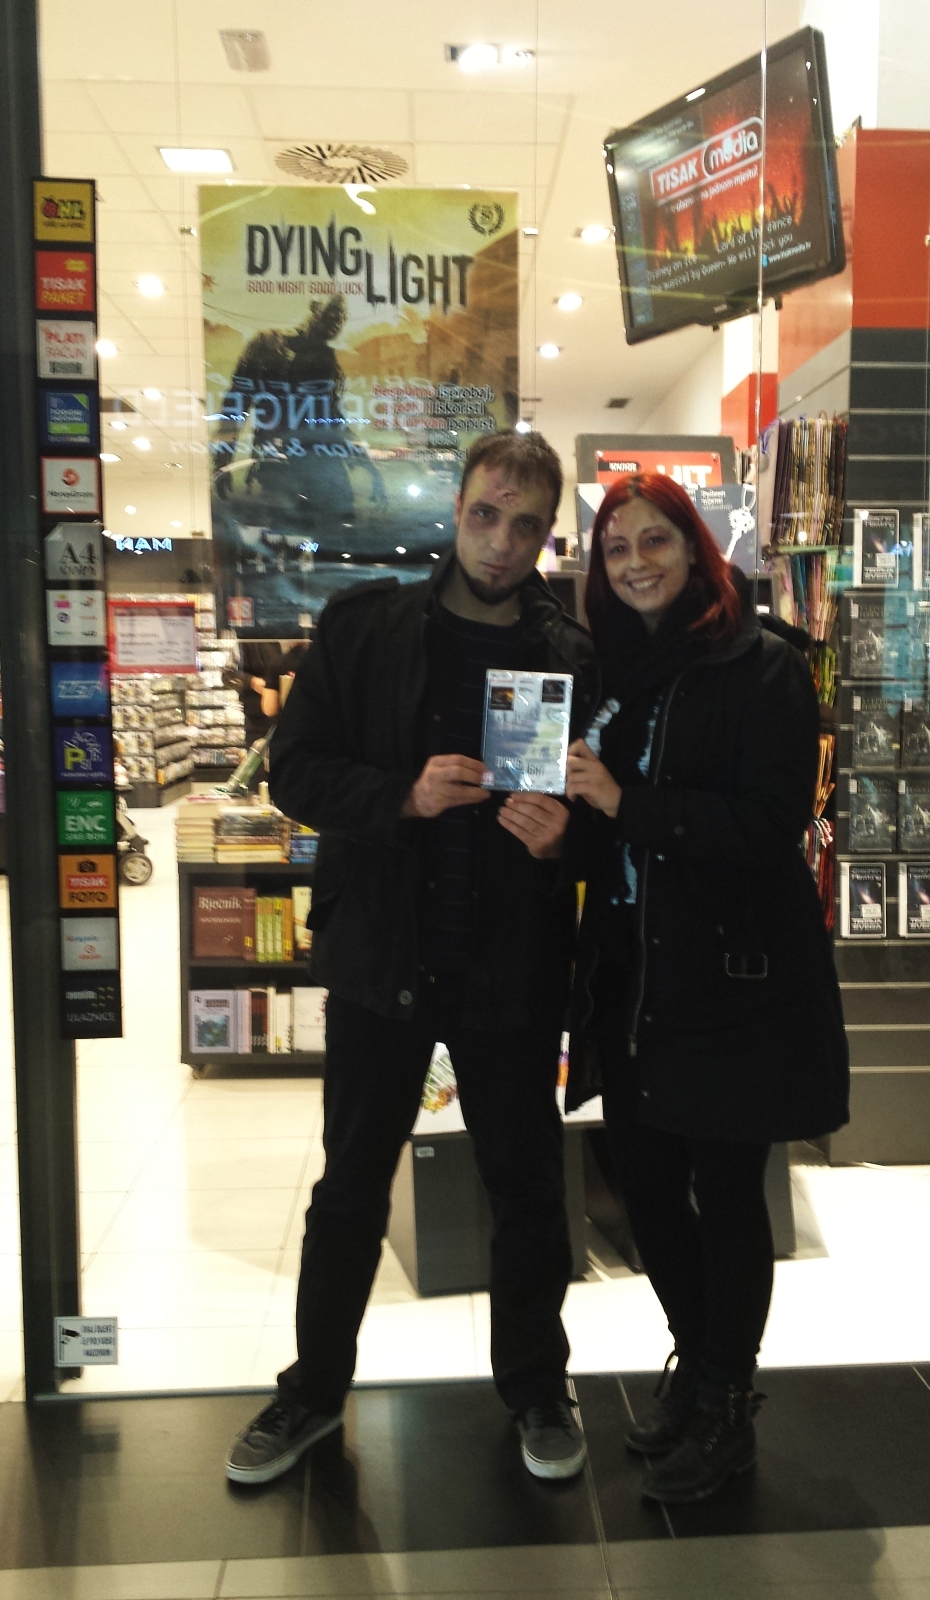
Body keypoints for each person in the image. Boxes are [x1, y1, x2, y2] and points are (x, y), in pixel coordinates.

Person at [226, 430, 599, 1486]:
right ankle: (311, 1393)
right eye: (485, 514)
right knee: (349, 1188)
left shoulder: (573, 654)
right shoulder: (367, 628)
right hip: (381, 958)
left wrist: (565, 840)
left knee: (526, 1190)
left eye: (525, 524)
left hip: (510, 966)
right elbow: (295, 770)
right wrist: (402, 794)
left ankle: (537, 1388)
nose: (501, 541)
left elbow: (605, 809)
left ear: (545, 533)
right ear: (457, 509)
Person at [564, 472, 848, 1506]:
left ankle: (725, 1402)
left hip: (729, 981)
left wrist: (625, 802)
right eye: (616, 547)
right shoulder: (610, 673)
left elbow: (769, 827)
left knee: (726, 1198)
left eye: (655, 540)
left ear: (695, 549)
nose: (635, 562)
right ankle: (699, 1368)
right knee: (644, 1189)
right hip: (632, 978)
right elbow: (604, 827)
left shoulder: (761, 664)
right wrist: (564, 823)